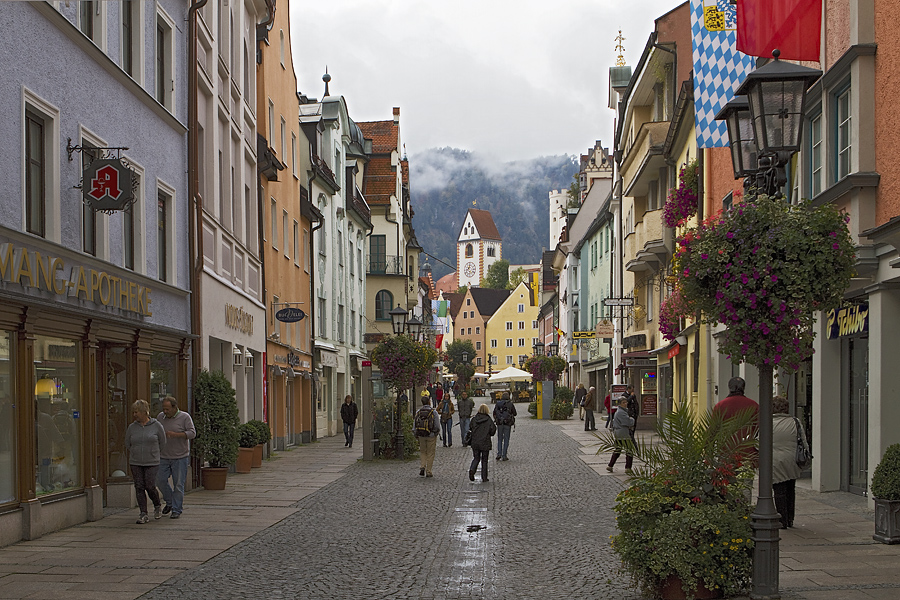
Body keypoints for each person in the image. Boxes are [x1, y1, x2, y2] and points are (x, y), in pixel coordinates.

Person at [125, 399, 166, 524]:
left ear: (144, 412)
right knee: (139, 486)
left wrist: (155, 453)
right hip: (136, 461)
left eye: (136, 412)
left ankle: (157, 504)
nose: (134, 415)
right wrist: (134, 452)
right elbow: (127, 443)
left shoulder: (156, 425)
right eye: (133, 412)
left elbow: (162, 442)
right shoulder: (132, 427)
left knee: (150, 485)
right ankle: (143, 513)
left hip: (152, 461)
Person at [156, 396, 195, 520]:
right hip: (163, 455)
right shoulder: (160, 417)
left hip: (180, 456)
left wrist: (177, 435)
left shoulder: (185, 417)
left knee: (179, 484)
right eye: (164, 409)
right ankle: (170, 501)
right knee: (160, 480)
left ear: (175, 407)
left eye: (167, 409)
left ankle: (176, 509)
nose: (165, 412)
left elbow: (192, 433)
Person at [773, 396, 806, 529]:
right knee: (790, 488)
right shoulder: (795, 422)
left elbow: (758, 443)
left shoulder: (767, 423)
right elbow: (802, 440)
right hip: (792, 460)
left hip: (775, 461)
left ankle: (782, 519)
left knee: (778, 489)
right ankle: (790, 518)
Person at [468, 404, 497, 482]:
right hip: (485, 442)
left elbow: (470, 428)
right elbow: (492, 431)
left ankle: (472, 470)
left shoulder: (474, 419)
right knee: (484, 460)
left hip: (475, 442)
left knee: (476, 458)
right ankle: (484, 477)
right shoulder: (488, 420)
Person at [607, 397, 635, 473]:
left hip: (620, 433)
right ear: (619, 404)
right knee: (629, 450)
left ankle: (610, 465)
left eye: (626, 402)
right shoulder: (621, 412)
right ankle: (628, 468)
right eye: (623, 403)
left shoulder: (621, 411)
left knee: (618, 450)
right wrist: (632, 419)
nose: (625, 404)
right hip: (623, 434)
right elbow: (628, 422)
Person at [415, 393, 439, 477]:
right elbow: (436, 424)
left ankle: (422, 466)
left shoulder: (419, 412)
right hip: (431, 435)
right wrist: (435, 433)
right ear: (429, 402)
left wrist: (416, 433)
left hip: (421, 434)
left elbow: (415, 423)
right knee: (430, 453)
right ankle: (428, 471)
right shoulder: (433, 412)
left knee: (423, 451)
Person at [493, 392, 517, 461]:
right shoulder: (510, 404)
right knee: (506, 439)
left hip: (500, 423)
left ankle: (499, 453)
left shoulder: (498, 403)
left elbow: (494, 413)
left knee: (500, 439)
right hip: (507, 423)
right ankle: (504, 455)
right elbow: (515, 413)